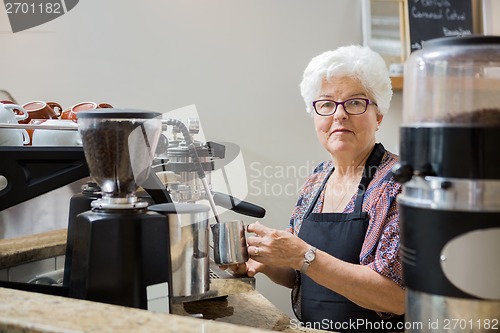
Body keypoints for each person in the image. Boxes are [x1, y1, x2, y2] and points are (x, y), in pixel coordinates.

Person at [229, 45, 405, 332]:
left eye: (355, 102)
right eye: (326, 104)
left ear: (379, 115)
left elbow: (396, 298)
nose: (339, 115)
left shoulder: (397, 184)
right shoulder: (317, 179)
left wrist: (303, 255)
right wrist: (265, 258)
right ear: (314, 115)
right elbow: (300, 274)